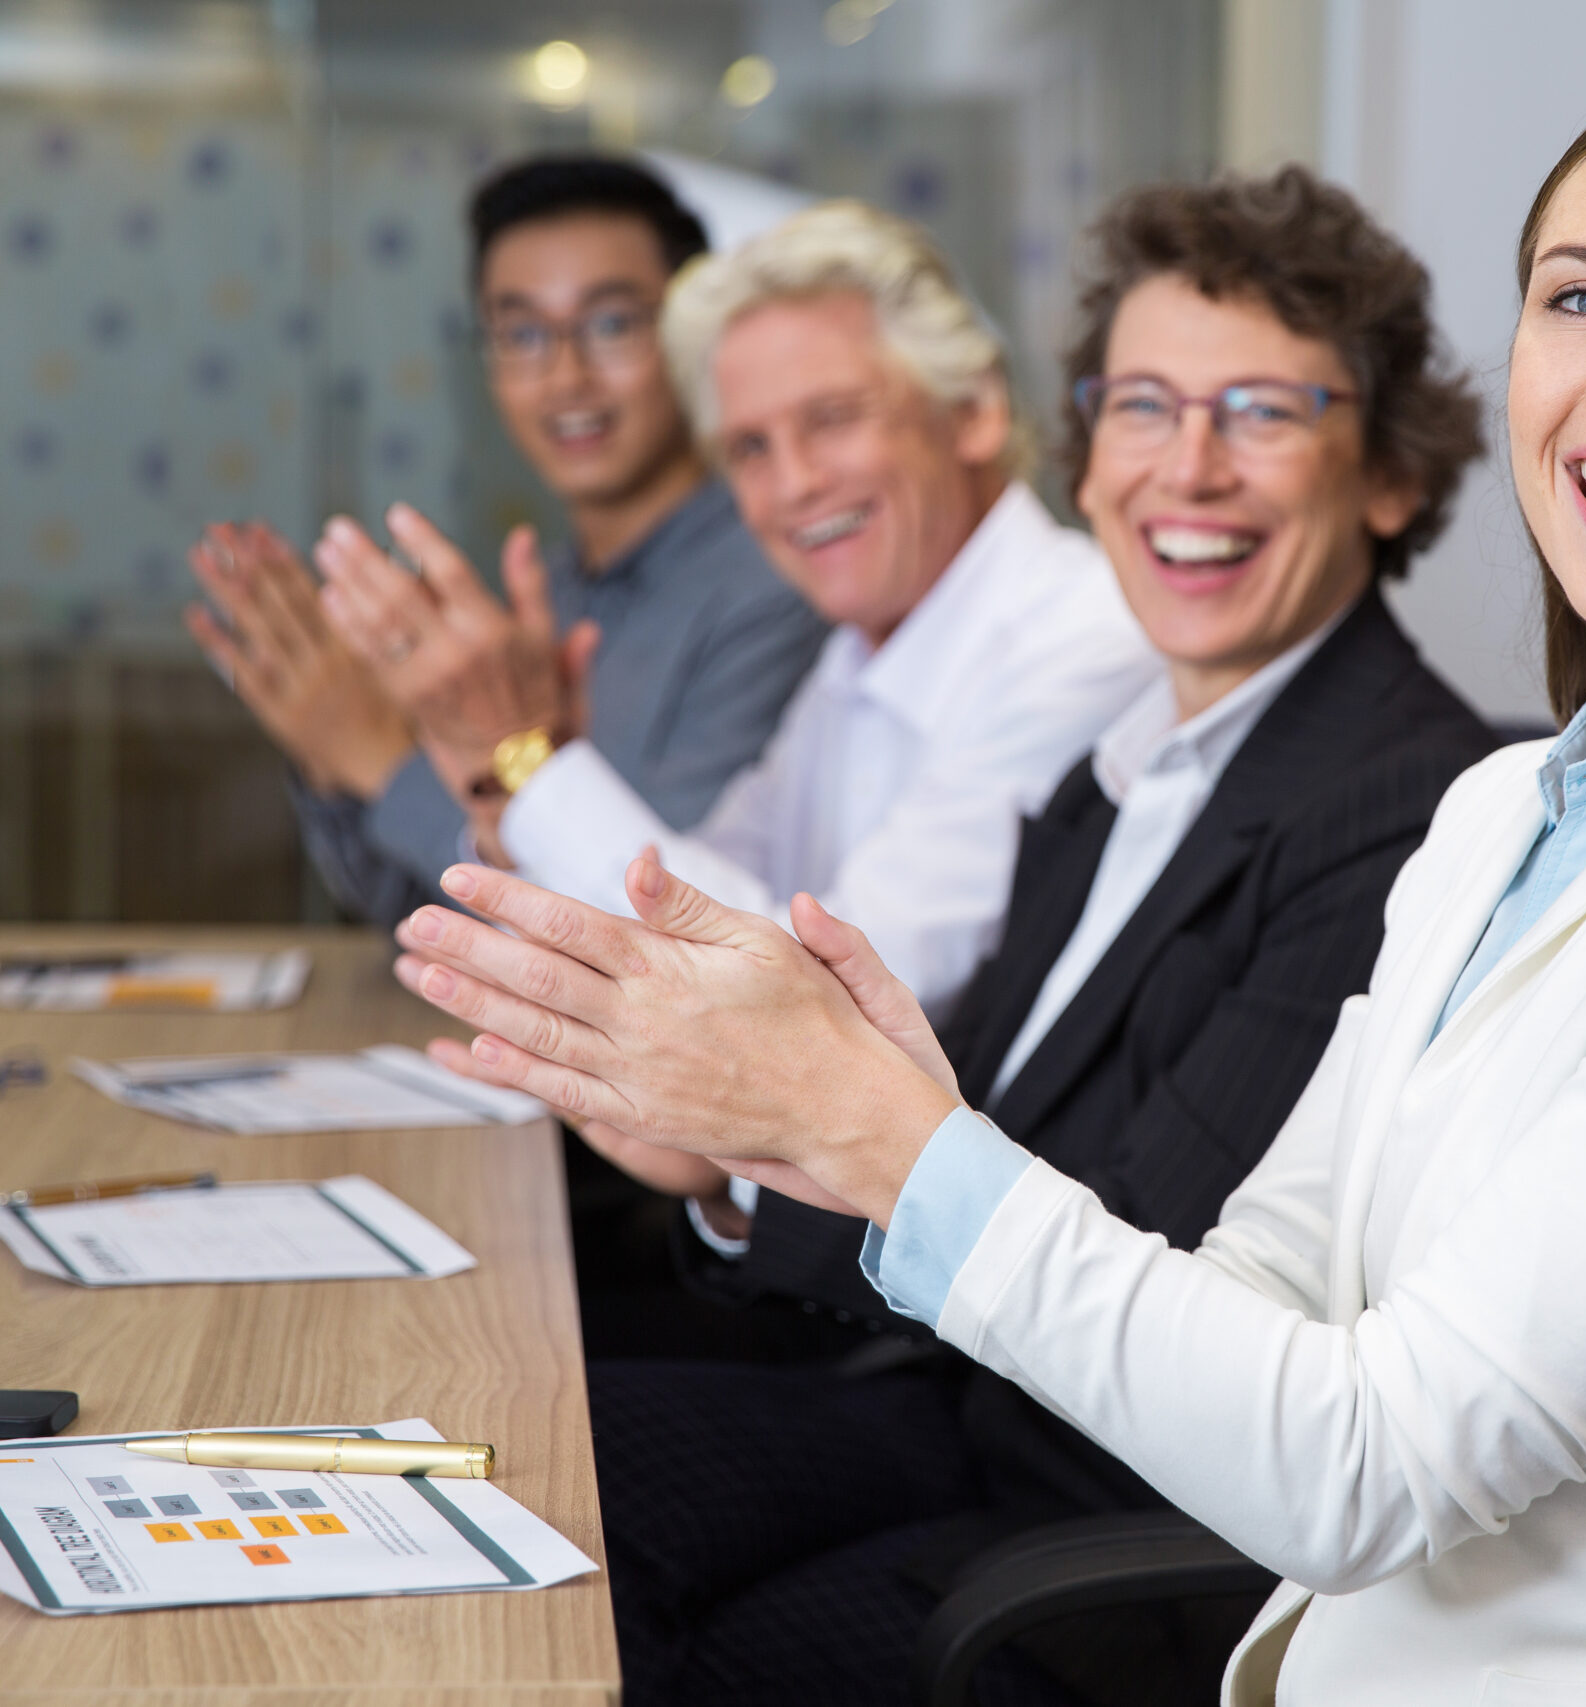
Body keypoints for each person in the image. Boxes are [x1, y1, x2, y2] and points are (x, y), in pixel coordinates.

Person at [392, 52, 1586, 1707]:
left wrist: (891, 1148)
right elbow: (1258, 1275)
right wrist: (896, 1127)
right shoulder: (1511, 811)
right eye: (1581, 300)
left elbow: (1368, 1462)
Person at [561, 169, 1500, 1701]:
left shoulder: (1401, 805)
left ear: (1388, 473)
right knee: (546, 1469)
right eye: (1142, 405)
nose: (1185, 467)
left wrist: (758, 1137)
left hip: (1115, 1534)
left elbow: (1143, 1248)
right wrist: (744, 1172)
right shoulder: (1127, 761)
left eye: (1261, 409)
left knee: (656, 1635)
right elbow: (976, 1099)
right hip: (962, 1413)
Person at [394, 198, 1159, 1031]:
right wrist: (516, 773)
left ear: (975, 412)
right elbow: (672, 920)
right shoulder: (857, 653)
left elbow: (828, 1001)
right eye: (750, 449)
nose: (793, 485)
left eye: (832, 419)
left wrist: (527, 760)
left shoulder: (1088, 635)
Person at [184, 155, 826, 925]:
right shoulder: (543, 589)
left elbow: (653, 923)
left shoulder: (781, 585)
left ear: (697, 339)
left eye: (612, 323)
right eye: (521, 333)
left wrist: (386, 764)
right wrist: (329, 742)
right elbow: (411, 910)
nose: (564, 377)